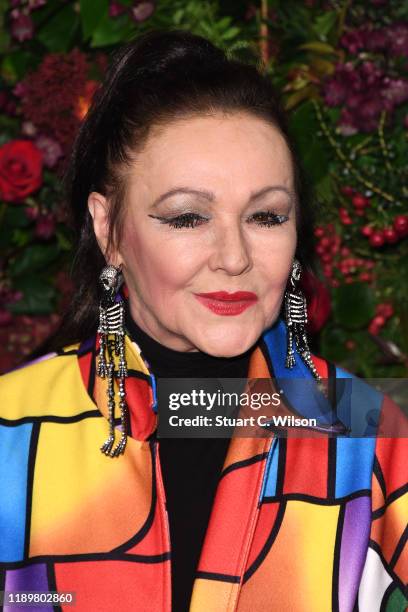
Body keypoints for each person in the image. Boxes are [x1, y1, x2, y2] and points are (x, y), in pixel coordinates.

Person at [0, 29, 406, 612]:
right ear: (109, 228)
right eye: (188, 218)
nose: (235, 257)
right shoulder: (12, 434)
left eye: (266, 215)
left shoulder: (373, 432)